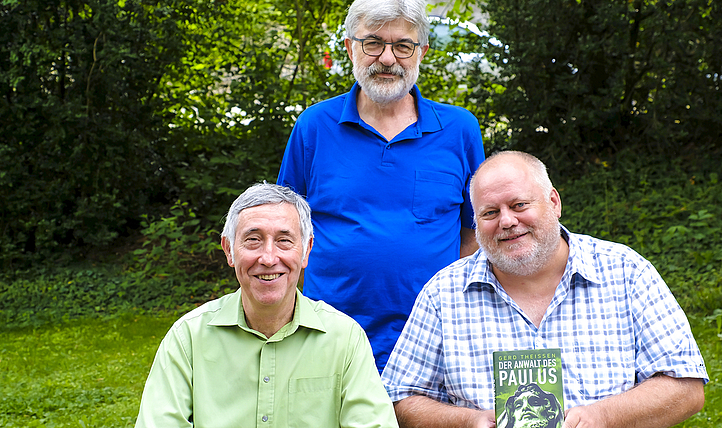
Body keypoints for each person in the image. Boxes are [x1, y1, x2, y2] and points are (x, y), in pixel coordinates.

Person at [381, 151, 708, 428]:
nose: (507, 221)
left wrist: (603, 416)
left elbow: (687, 388)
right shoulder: (443, 293)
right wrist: (469, 421)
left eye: (519, 205)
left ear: (553, 202)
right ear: (476, 222)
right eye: (490, 213)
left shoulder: (626, 272)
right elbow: (399, 397)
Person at [277, 0, 485, 372]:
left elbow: (474, 231)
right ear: (349, 47)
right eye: (373, 43)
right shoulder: (314, 126)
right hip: (331, 335)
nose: (387, 58)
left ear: (421, 51)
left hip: (435, 338)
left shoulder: (460, 130)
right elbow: (286, 227)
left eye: (402, 46)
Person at [135, 183, 398, 428]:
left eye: (284, 240)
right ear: (229, 250)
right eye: (253, 239)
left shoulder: (345, 339)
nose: (269, 258)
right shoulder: (188, 338)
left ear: (306, 250)